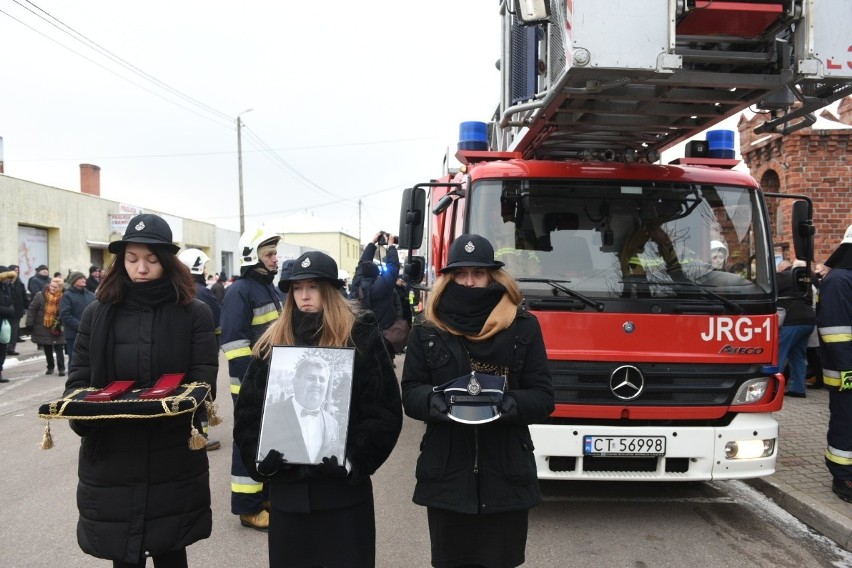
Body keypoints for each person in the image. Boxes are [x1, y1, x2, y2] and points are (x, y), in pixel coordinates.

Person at [62, 213, 218, 567]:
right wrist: (86, 417)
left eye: (151, 260)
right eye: (132, 259)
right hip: (112, 453)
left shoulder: (195, 314)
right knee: (124, 553)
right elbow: (79, 381)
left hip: (171, 450)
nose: (141, 268)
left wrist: (173, 409)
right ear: (121, 262)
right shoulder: (96, 314)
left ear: (167, 262)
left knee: (171, 548)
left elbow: (203, 380)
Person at [233, 250, 402, 568]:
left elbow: (384, 410)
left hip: (344, 498)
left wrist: (352, 460)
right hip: (289, 499)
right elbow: (248, 415)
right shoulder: (273, 341)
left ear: (330, 289)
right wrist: (261, 461)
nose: (304, 295)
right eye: (297, 288)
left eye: (312, 286)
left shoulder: (361, 333)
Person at [401, 233, 555, 568]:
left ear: (493, 276)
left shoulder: (523, 327)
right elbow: (411, 392)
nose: (469, 282)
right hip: (447, 476)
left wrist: (504, 405)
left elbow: (544, 398)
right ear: (448, 278)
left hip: (506, 475)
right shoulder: (427, 330)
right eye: (461, 274)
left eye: (478, 273)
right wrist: (436, 401)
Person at [220, 227, 282, 531]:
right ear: (252, 257)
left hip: (271, 382)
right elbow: (233, 344)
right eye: (269, 254)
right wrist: (250, 385)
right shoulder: (240, 291)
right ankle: (248, 507)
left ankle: (265, 496)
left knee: (268, 441)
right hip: (250, 385)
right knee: (248, 442)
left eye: (274, 254)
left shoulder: (267, 288)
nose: (275, 259)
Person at [817, 223, 852, 503]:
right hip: (846, 372)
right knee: (846, 421)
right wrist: (848, 370)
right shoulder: (839, 280)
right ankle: (843, 476)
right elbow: (835, 331)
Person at [258, 356, 342, 464]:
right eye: (310, 378)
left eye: (322, 379)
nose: (317, 383)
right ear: (295, 382)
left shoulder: (333, 424)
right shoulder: (270, 414)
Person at [178, 248, 222, 451]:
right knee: (202, 393)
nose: (205, 270)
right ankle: (201, 436)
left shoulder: (178, 290)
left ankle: (193, 434)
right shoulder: (203, 293)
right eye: (203, 266)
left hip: (183, 353)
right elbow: (218, 321)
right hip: (204, 351)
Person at [350, 231, 403, 354]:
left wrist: (372, 243)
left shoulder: (356, 283)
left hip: (360, 335)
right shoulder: (382, 285)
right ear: (376, 273)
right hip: (383, 337)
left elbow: (361, 264)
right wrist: (390, 246)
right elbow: (393, 267)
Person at [776, 260, 816, 397]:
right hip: (808, 321)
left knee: (778, 354)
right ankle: (798, 389)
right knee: (798, 356)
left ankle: (774, 389)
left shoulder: (784, 276)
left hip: (792, 322)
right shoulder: (806, 280)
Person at [25, 276, 67, 376]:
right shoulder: (40, 295)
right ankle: (50, 367)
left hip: (58, 325)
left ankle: (61, 368)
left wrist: (61, 320)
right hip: (43, 325)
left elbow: (66, 310)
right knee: (47, 347)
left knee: (59, 347)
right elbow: (32, 309)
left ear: (60, 288)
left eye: (55, 287)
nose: (52, 288)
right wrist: (29, 322)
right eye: (51, 286)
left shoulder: (64, 296)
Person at [60, 270, 96, 365]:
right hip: (73, 335)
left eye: (84, 278)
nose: (84, 280)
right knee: (74, 360)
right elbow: (65, 315)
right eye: (80, 278)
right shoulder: (67, 295)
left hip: (90, 334)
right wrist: (81, 326)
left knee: (90, 360)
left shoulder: (91, 295)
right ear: (74, 281)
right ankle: (73, 379)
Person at [5, 264, 29, 355]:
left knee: (14, 330)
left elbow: (23, 296)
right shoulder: (5, 283)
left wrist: (27, 307)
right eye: (15, 270)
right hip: (5, 311)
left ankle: (11, 348)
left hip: (16, 310)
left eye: (18, 270)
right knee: (5, 329)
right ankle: (4, 347)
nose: (17, 271)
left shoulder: (19, 282)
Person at [0, 266, 16, 383]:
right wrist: (8, 310)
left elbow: (10, 302)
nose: (8, 280)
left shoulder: (7, 288)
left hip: (4, 322)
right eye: (6, 278)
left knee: (3, 348)